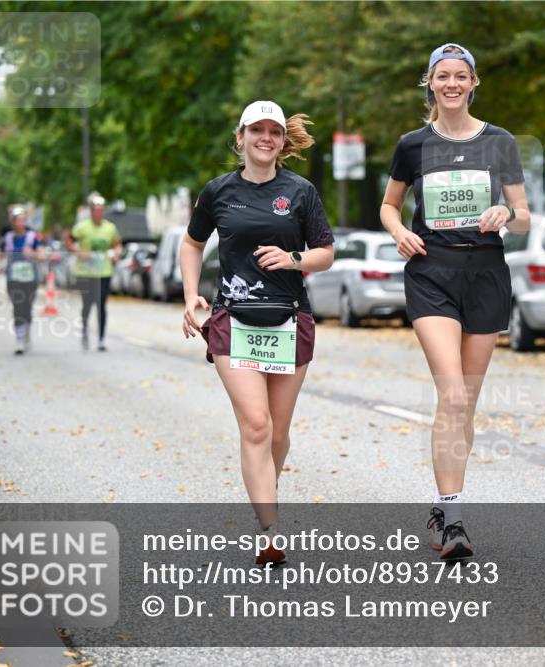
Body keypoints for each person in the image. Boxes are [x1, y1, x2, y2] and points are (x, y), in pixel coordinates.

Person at [379, 44, 530, 559]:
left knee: (466, 401)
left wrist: (506, 215)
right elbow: (389, 205)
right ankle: (454, 520)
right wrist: (399, 231)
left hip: (486, 273)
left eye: (460, 76)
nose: (451, 84)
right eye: (442, 76)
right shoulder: (413, 145)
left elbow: (525, 215)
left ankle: (444, 505)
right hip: (432, 272)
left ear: (473, 82)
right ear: (430, 82)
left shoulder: (500, 142)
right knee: (454, 394)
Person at [181, 100, 335, 566]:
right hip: (233, 320)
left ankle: (264, 501)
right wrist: (190, 295)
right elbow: (192, 242)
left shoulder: (301, 191)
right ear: (241, 137)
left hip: (289, 318)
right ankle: (269, 529)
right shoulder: (218, 191)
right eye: (256, 130)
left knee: (278, 432)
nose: (265, 138)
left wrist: (293, 259)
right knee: (256, 424)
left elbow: (326, 252)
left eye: (274, 131)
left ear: (282, 141)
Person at [68, 194, 122, 350]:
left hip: (103, 272)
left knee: (101, 305)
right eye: (96, 210)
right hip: (85, 272)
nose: (99, 213)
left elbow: (117, 244)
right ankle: (85, 332)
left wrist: (116, 253)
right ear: (91, 211)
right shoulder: (82, 227)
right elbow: (69, 242)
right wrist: (79, 252)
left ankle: (101, 338)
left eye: (101, 210)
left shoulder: (110, 228)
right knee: (87, 305)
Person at [0, 207, 42, 354]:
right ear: (13, 222)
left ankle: (27, 333)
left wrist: (32, 254)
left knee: (27, 308)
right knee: (17, 307)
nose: (20, 223)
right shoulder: (7, 238)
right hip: (13, 278)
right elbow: (0, 254)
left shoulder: (32, 237)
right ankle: (19, 339)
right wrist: (0, 263)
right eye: (17, 220)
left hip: (30, 278)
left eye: (23, 220)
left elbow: (41, 255)